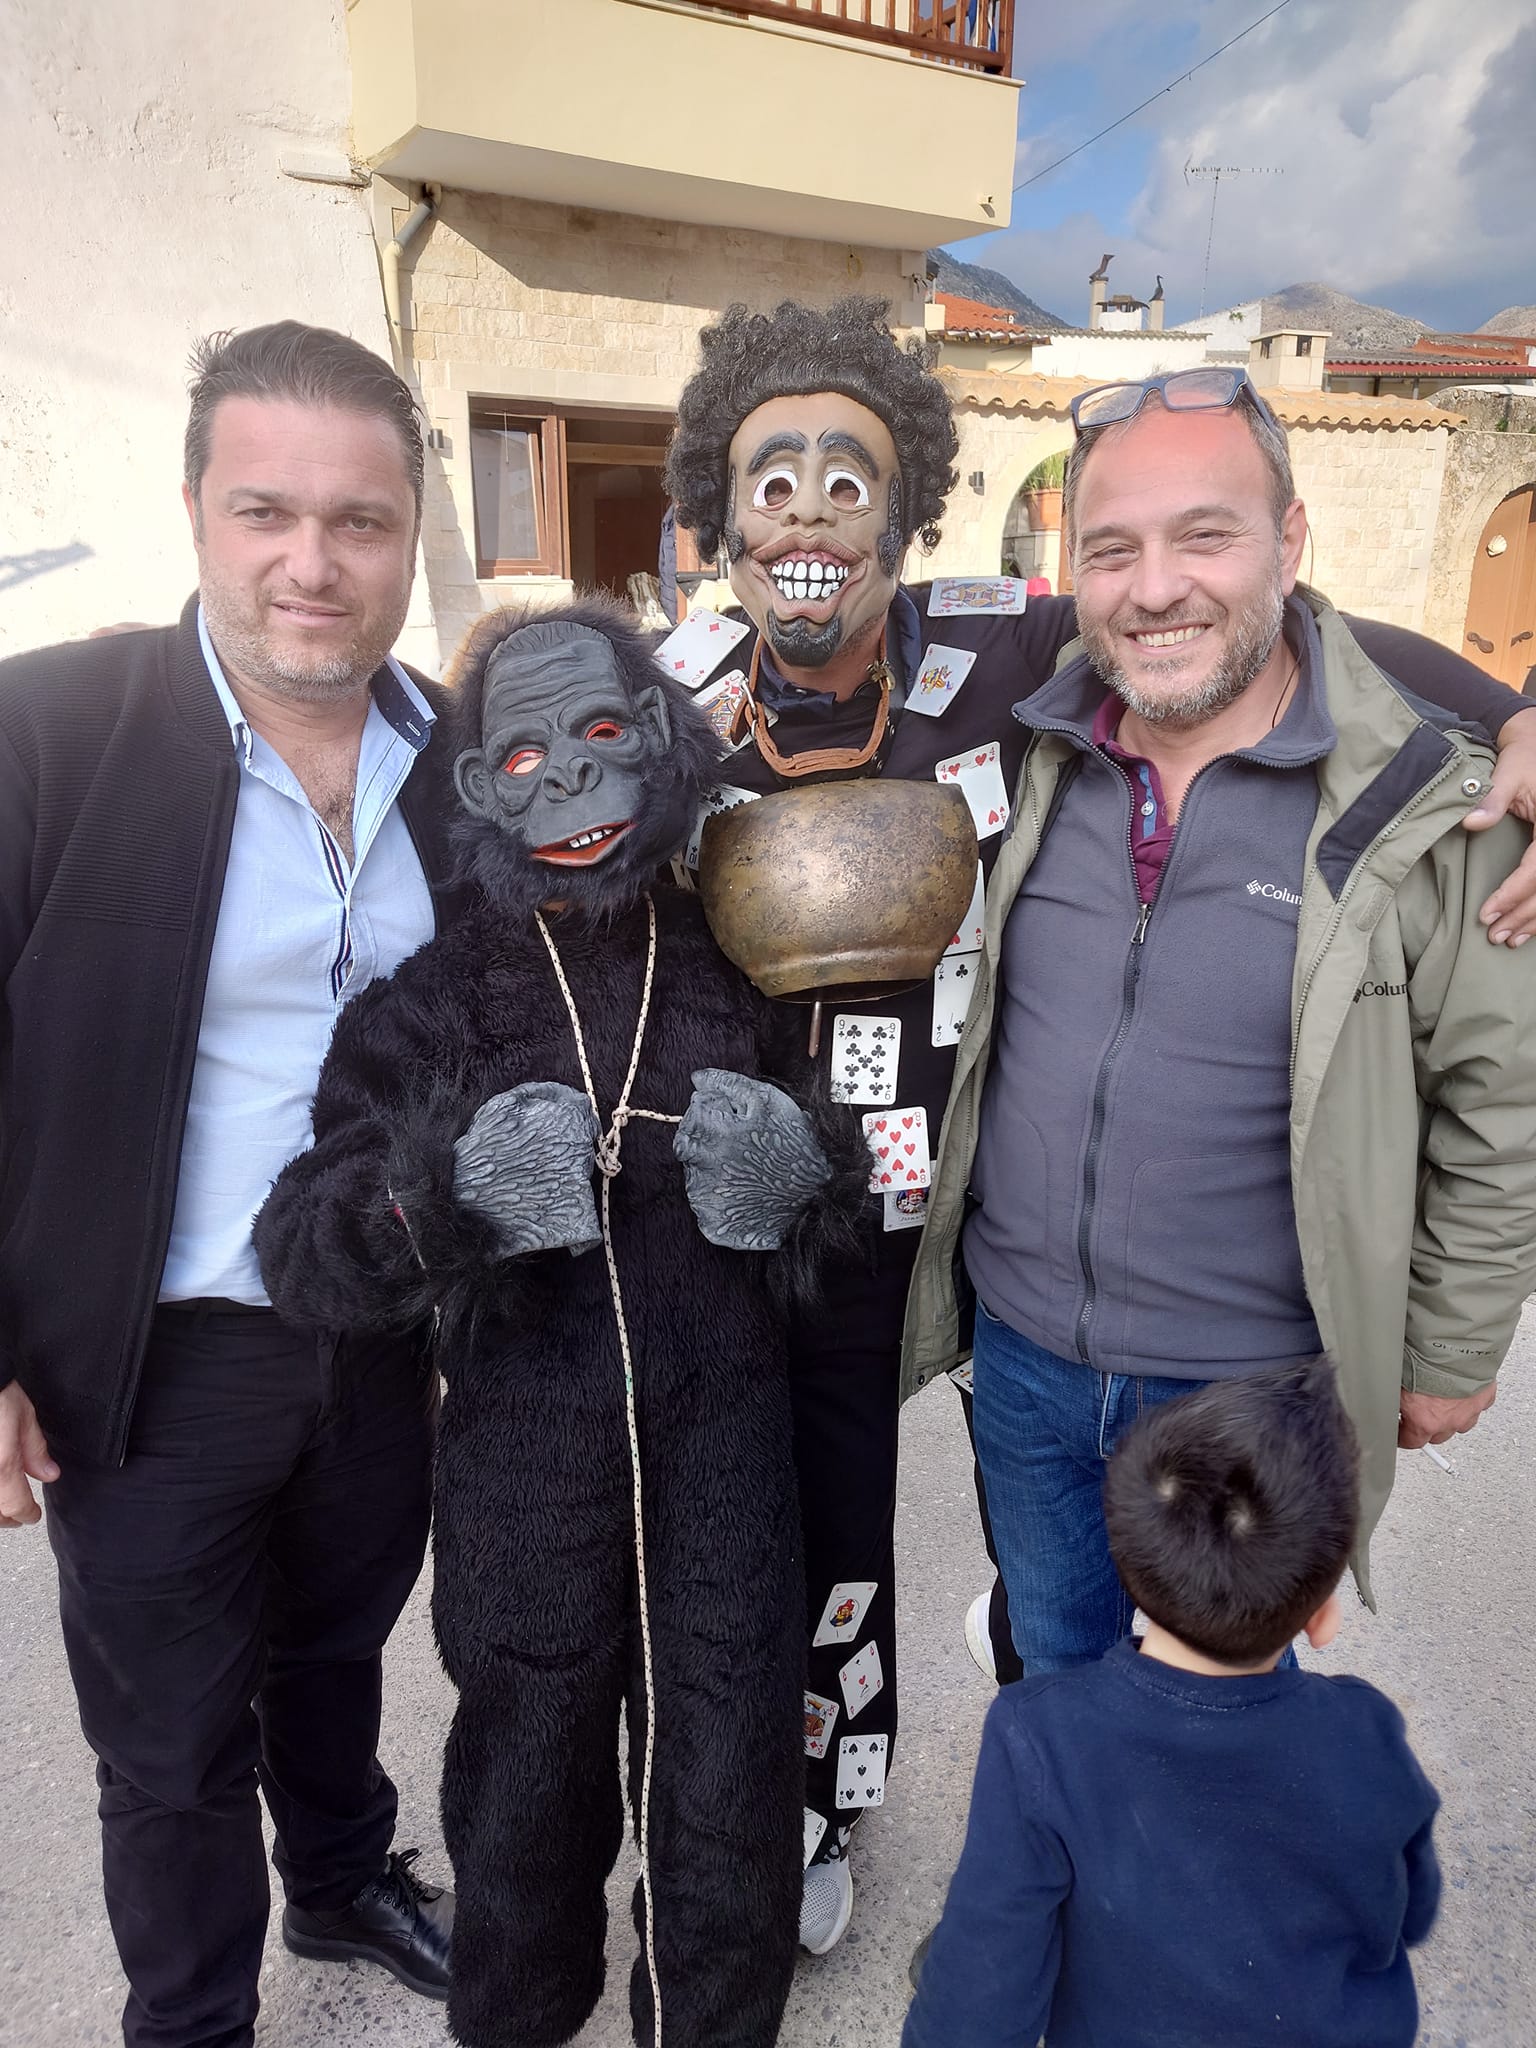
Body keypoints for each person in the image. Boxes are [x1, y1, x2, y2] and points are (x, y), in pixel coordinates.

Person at [664, 300, 1536, 1950]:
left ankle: (1069, 1877)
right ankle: (791, 1815)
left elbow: (1307, 641)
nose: (806, 516)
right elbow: (510, 779)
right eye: (768, 481)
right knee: (761, 1552)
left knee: (1106, 1631)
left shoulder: (1003, 653)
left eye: (848, 479)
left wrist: (1510, 712)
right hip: (788, 1244)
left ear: (906, 509)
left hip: (994, 1262)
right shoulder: (688, 689)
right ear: (716, 505)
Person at [253, 597, 865, 2048]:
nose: (573, 779)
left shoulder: (744, 954)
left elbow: (842, 1173)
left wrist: (803, 1170)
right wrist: (440, 1200)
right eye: (528, 755)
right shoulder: (434, 1000)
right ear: (479, 786)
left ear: (659, 738)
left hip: (728, 1465)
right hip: (524, 1487)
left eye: (601, 732)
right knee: (523, 1794)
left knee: (731, 1780)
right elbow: (301, 1244)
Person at [903, 363, 1536, 1679]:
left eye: (1205, 535)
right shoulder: (1031, 745)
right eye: (1112, 549)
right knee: (1058, 1676)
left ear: (1290, 542)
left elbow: (1504, 1094)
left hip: (1251, 1393)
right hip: (1023, 1363)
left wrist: (1451, 1342)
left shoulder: (1432, 804)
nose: (1155, 588)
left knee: (1220, 1728)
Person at [0, 322, 456, 2047]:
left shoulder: (455, 755)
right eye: (266, 510)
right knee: (171, 1746)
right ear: (195, 508)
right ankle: (192, 2019)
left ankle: (338, 1877)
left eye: (360, 520)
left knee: (336, 1647)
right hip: (149, 1357)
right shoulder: (46, 732)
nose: (312, 561)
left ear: (408, 538)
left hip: (379, 1336)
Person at [903, 1360, 1441, 2048]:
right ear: (1321, 1618)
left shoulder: (1041, 1737)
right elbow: (1411, 1909)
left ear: (1127, 1569)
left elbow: (975, 2003)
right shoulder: (1367, 1733)